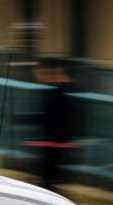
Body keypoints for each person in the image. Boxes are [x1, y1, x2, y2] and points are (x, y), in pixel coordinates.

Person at [27, 56, 79, 189]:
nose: (38, 77)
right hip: (54, 143)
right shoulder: (56, 90)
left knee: (49, 179)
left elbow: (52, 117)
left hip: (56, 143)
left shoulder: (61, 91)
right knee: (48, 179)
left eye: (40, 73)